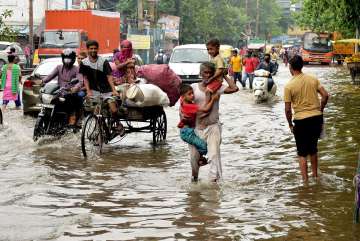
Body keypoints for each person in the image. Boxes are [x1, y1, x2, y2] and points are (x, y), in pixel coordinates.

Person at [189, 62, 238, 182]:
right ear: (200, 74)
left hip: (213, 126)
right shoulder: (193, 87)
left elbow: (234, 88)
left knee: (214, 156)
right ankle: (194, 179)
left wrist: (224, 75)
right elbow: (185, 105)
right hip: (196, 128)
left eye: (211, 73)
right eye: (205, 72)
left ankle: (213, 187)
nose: (208, 75)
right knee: (194, 158)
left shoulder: (217, 87)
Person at [284, 55, 329, 182]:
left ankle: (305, 182)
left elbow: (288, 110)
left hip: (301, 121)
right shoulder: (313, 79)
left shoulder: (289, 86)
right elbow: (325, 95)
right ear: (302, 66)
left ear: (291, 68)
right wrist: (321, 110)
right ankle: (315, 176)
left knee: (302, 153)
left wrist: (290, 125)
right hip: (316, 118)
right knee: (313, 149)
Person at [79, 40, 124, 136]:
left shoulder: (103, 61)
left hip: (107, 90)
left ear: (97, 49)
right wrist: (88, 91)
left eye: (95, 48)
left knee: (113, 109)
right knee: (96, 112)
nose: (93, 50)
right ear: (87, 49)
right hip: (94, 91)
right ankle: (99, 131)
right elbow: (85, 78)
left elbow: (109, 76)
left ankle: (118, 124)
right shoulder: (83, 62)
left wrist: (114, 90)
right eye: (91, 48)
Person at [178, 84, 220, 167]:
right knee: (204, 147)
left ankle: (200, 159)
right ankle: (200, 159)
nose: (192, 95)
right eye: (189, 94)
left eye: (192, 93)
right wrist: (213, 99)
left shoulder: (183, 101)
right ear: (183, 96)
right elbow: (206, 109)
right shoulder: (190, 106)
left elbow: (181, 99)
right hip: (187, 132)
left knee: (200, 145)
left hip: (187, 130)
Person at [43, 48, 83, 127]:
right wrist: (42, 81)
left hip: (71, 93)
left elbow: (80, 81)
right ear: (62, 59)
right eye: (65, 59)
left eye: (69, 59)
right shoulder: (58, 67)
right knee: (51, 103)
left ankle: (72, 123)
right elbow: (50, 76)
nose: (67, 61)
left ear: (73, 59)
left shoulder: (76, 69)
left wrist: (75, 88)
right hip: (60, 92)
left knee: (72, 107)